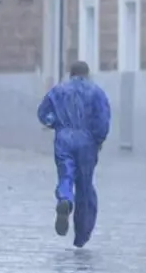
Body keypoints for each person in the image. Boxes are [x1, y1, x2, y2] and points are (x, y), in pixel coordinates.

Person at [37, 61, 111, 248]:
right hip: (87, 141)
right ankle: (81, 236)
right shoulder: (96, 92)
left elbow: (43, 113)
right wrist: (99, 139)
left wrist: (54, 123)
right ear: (87, 74)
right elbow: (102, 119)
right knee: (85, 186)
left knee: (66, 174)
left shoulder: (58, 91)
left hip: (64, 138)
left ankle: (65, 199)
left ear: (70, 74)